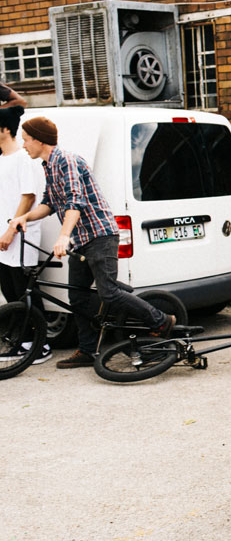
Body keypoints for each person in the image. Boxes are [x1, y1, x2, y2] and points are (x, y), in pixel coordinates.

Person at [10, 116, 175, 369]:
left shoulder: (67, 160)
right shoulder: (48, 166)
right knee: (76, 298)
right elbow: (50, 203)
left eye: (26, 140)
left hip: (100, 235)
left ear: (39, 140)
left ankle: (160, 320)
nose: (23, 145)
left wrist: (63, 236)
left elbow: (76, 202)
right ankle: (87, 351)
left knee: (107, 291)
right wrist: (24, 218)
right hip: (82, 240)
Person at [0, 105, 51, 364]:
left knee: (26, 291)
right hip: (3, 237)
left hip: (21, 236)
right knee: (10, 290)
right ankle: (25, 340)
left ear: (5, 129)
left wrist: (11, 230)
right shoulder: (2, 158)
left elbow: (29, 196)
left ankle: (41, 345)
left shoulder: (22, 158)